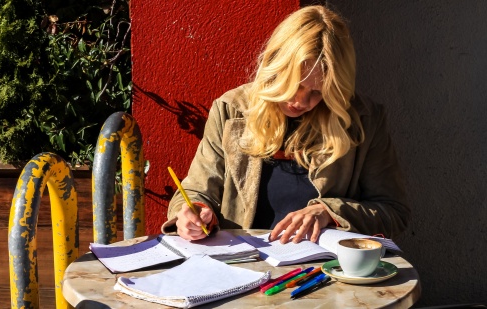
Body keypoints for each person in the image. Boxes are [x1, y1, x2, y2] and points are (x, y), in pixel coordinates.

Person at [161, 5, 410, 244]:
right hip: (242, 267)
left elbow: (394, 213)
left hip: (324, 272)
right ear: (274, 66)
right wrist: (193, 212)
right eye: (293, 84)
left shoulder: (364, 120)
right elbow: (197, 191)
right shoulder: (230, 110)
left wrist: (329, 212)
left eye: (317, 92)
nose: (299, 101)